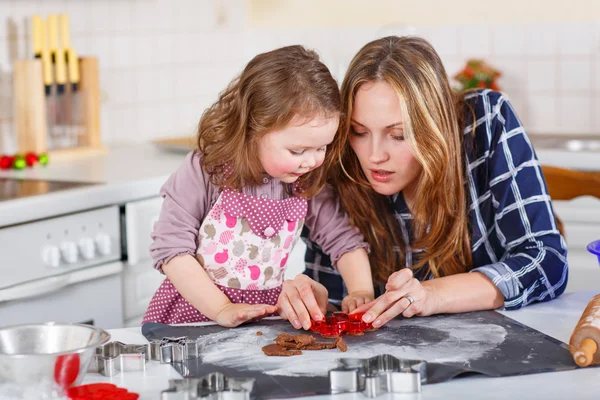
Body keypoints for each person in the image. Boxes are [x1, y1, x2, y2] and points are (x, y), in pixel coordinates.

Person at [280, 36, 568, 329]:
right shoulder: (335, 156)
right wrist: (314, 303)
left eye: (399, 134)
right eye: (359, 131)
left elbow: (547, 262)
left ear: (434, 125)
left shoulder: (485, 122)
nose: (374, 156)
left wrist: (431, 295)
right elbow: (347, 306)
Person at [142, 45, 375, 328]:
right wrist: (221, 308)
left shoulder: (304, 181)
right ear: (252, 130)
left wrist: (361, 291)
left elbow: (343, 240)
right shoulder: (207, 170)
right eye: (297, 150)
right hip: (192, 315)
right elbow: (172, 250)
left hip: (261, 319)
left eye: (321, 147)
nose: (311, 161)